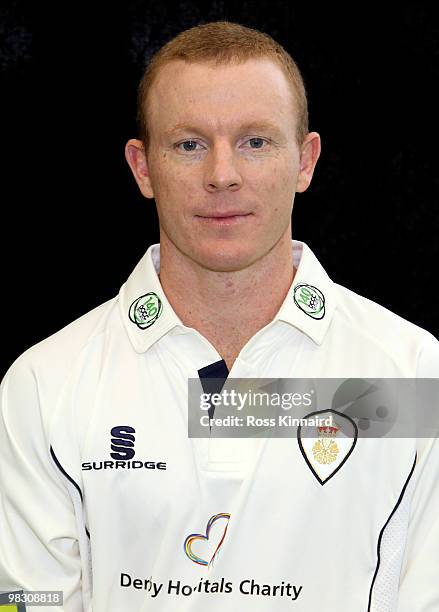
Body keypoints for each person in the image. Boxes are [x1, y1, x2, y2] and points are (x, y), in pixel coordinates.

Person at [0, 20, 438, 612]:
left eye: (255, 141)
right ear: (142, 168)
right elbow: (31, 603)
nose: (222, 174)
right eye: (189, 144)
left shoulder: (415, 374)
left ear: (306, 161)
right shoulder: (43, 384)